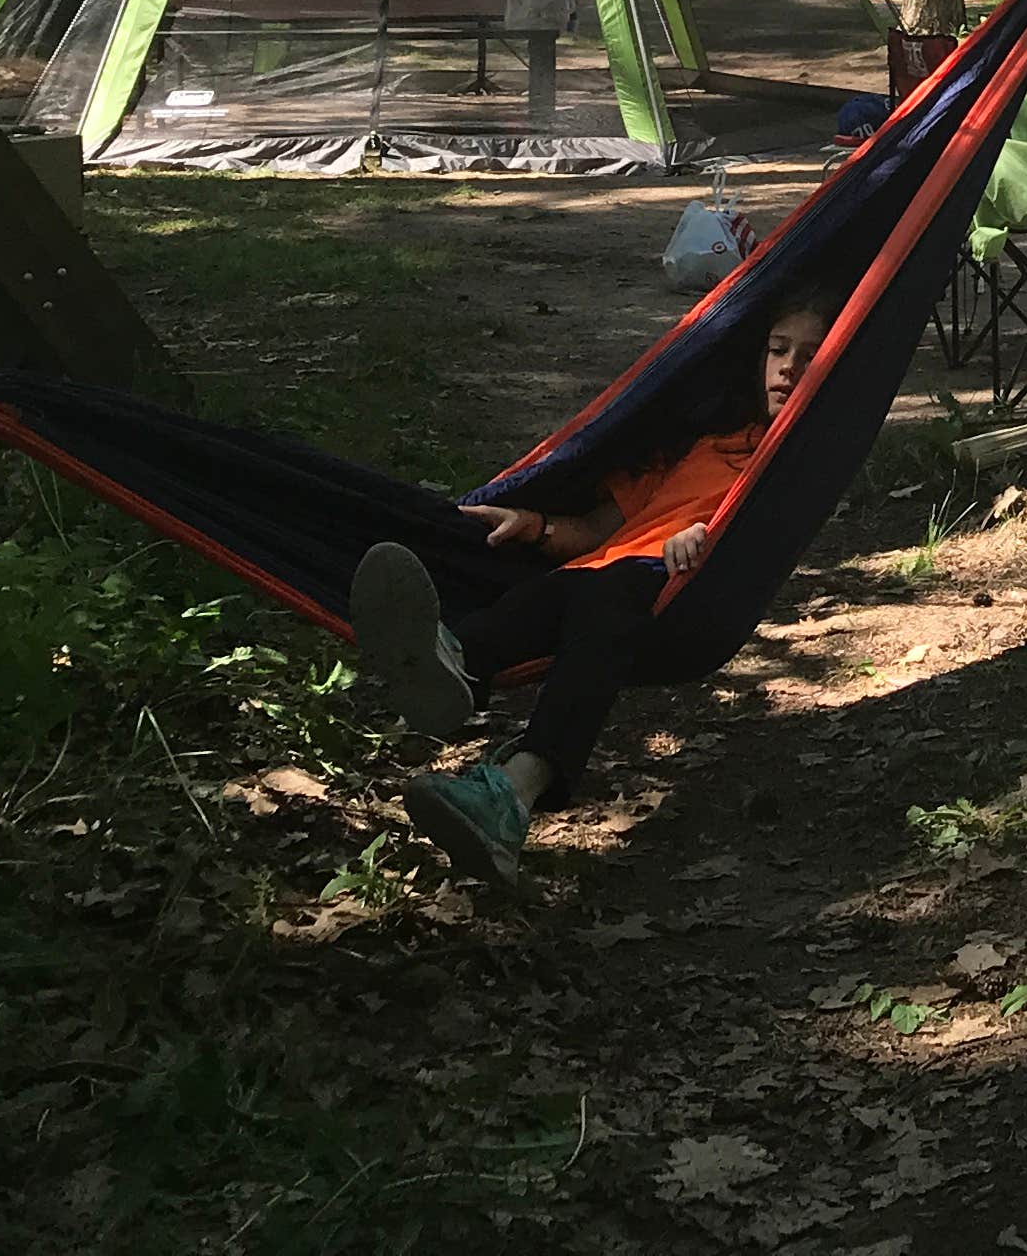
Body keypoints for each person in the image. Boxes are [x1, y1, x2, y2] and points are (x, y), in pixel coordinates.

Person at [357, 287, 838, 882]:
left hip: (672, 593)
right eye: (778, 349)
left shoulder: (790, 465)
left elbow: (751, 543)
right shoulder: (699, 446)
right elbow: (592, 532)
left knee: (604, 592)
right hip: (597, 579)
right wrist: (531, 524)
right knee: (550, 593)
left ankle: (513, 789)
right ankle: (449, 664)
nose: (788, 367)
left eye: (810, 356)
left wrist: (704, 540)